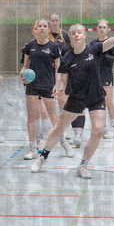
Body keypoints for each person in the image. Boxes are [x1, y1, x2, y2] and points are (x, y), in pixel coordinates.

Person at [30, 19, 114, 179]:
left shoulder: (95, 49)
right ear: (70, 37)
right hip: (77, 98)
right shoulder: (67, 58)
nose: (76, 35)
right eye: (73, 33)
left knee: (97, 131)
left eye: (79, 32)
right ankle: (43, 157)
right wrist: (60, 88)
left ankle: (82, 165)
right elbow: (63, 80)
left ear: (84, 35)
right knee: (59, 128)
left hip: (96, 97)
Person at [20, 19, 73, 160]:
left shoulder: (53, 47)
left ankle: (64, 143)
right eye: (40, 26)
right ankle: (32, 149)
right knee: (31, 117)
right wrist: (22, 73)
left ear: (48, 29)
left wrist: (57, 85)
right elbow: (25, 66)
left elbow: (58, 68)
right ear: (36, 29)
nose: (42, 28)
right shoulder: (29, 46)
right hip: (32, 86)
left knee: (54, 118)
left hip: (48, 85)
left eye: (45, 26)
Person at [48, 13, 85, 146]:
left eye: (56, 20)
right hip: (57, 74)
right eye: (52, 20)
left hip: (75, 76)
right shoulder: (48, 38)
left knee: (79, 104)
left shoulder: (66, 38)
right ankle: (66, 128)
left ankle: (78, 133)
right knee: (63, 102)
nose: (54, 23)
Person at [92, 19, 114, 139]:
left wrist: (104, 56)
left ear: (107, 29)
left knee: (108, 102)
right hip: (95, 77)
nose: (102, 29)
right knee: (98, 103)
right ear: (97, 29)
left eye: (104, 27)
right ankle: (101, 126)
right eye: (100, 27)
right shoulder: (93, 43)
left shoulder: (111, 42)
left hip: (106, 75)